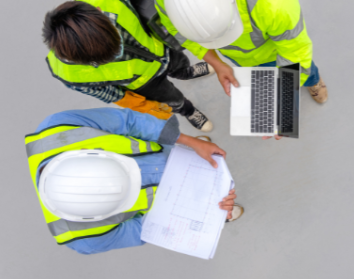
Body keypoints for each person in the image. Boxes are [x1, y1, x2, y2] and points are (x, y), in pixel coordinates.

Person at [152, 0, 328, 133]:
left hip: (276, 50)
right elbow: (183, 34)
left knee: (307, 69)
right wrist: (217, 63)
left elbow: (294, 51)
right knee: (260, 73)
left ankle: (313, 82)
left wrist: (284, 100)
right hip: (241, 58)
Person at [25, 108, 243, 255]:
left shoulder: (59, 128)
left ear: (85, 152)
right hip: (169, 201)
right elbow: (150, 228)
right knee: (217, 204)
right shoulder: (85, 239)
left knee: (184, 148)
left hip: (161, 149)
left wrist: (186, 140)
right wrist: (204, 211)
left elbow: (129, 122)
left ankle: (182, 149)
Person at [42, 0, 215, 132]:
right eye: (110, 57)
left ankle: (186, 72)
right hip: (144, 82)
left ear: (100, 11)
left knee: (180, 62)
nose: (119, 52)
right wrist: (141, 105)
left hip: (161, 47)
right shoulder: (70, 75)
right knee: (173, 99)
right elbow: (110, 93)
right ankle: (188, 110)